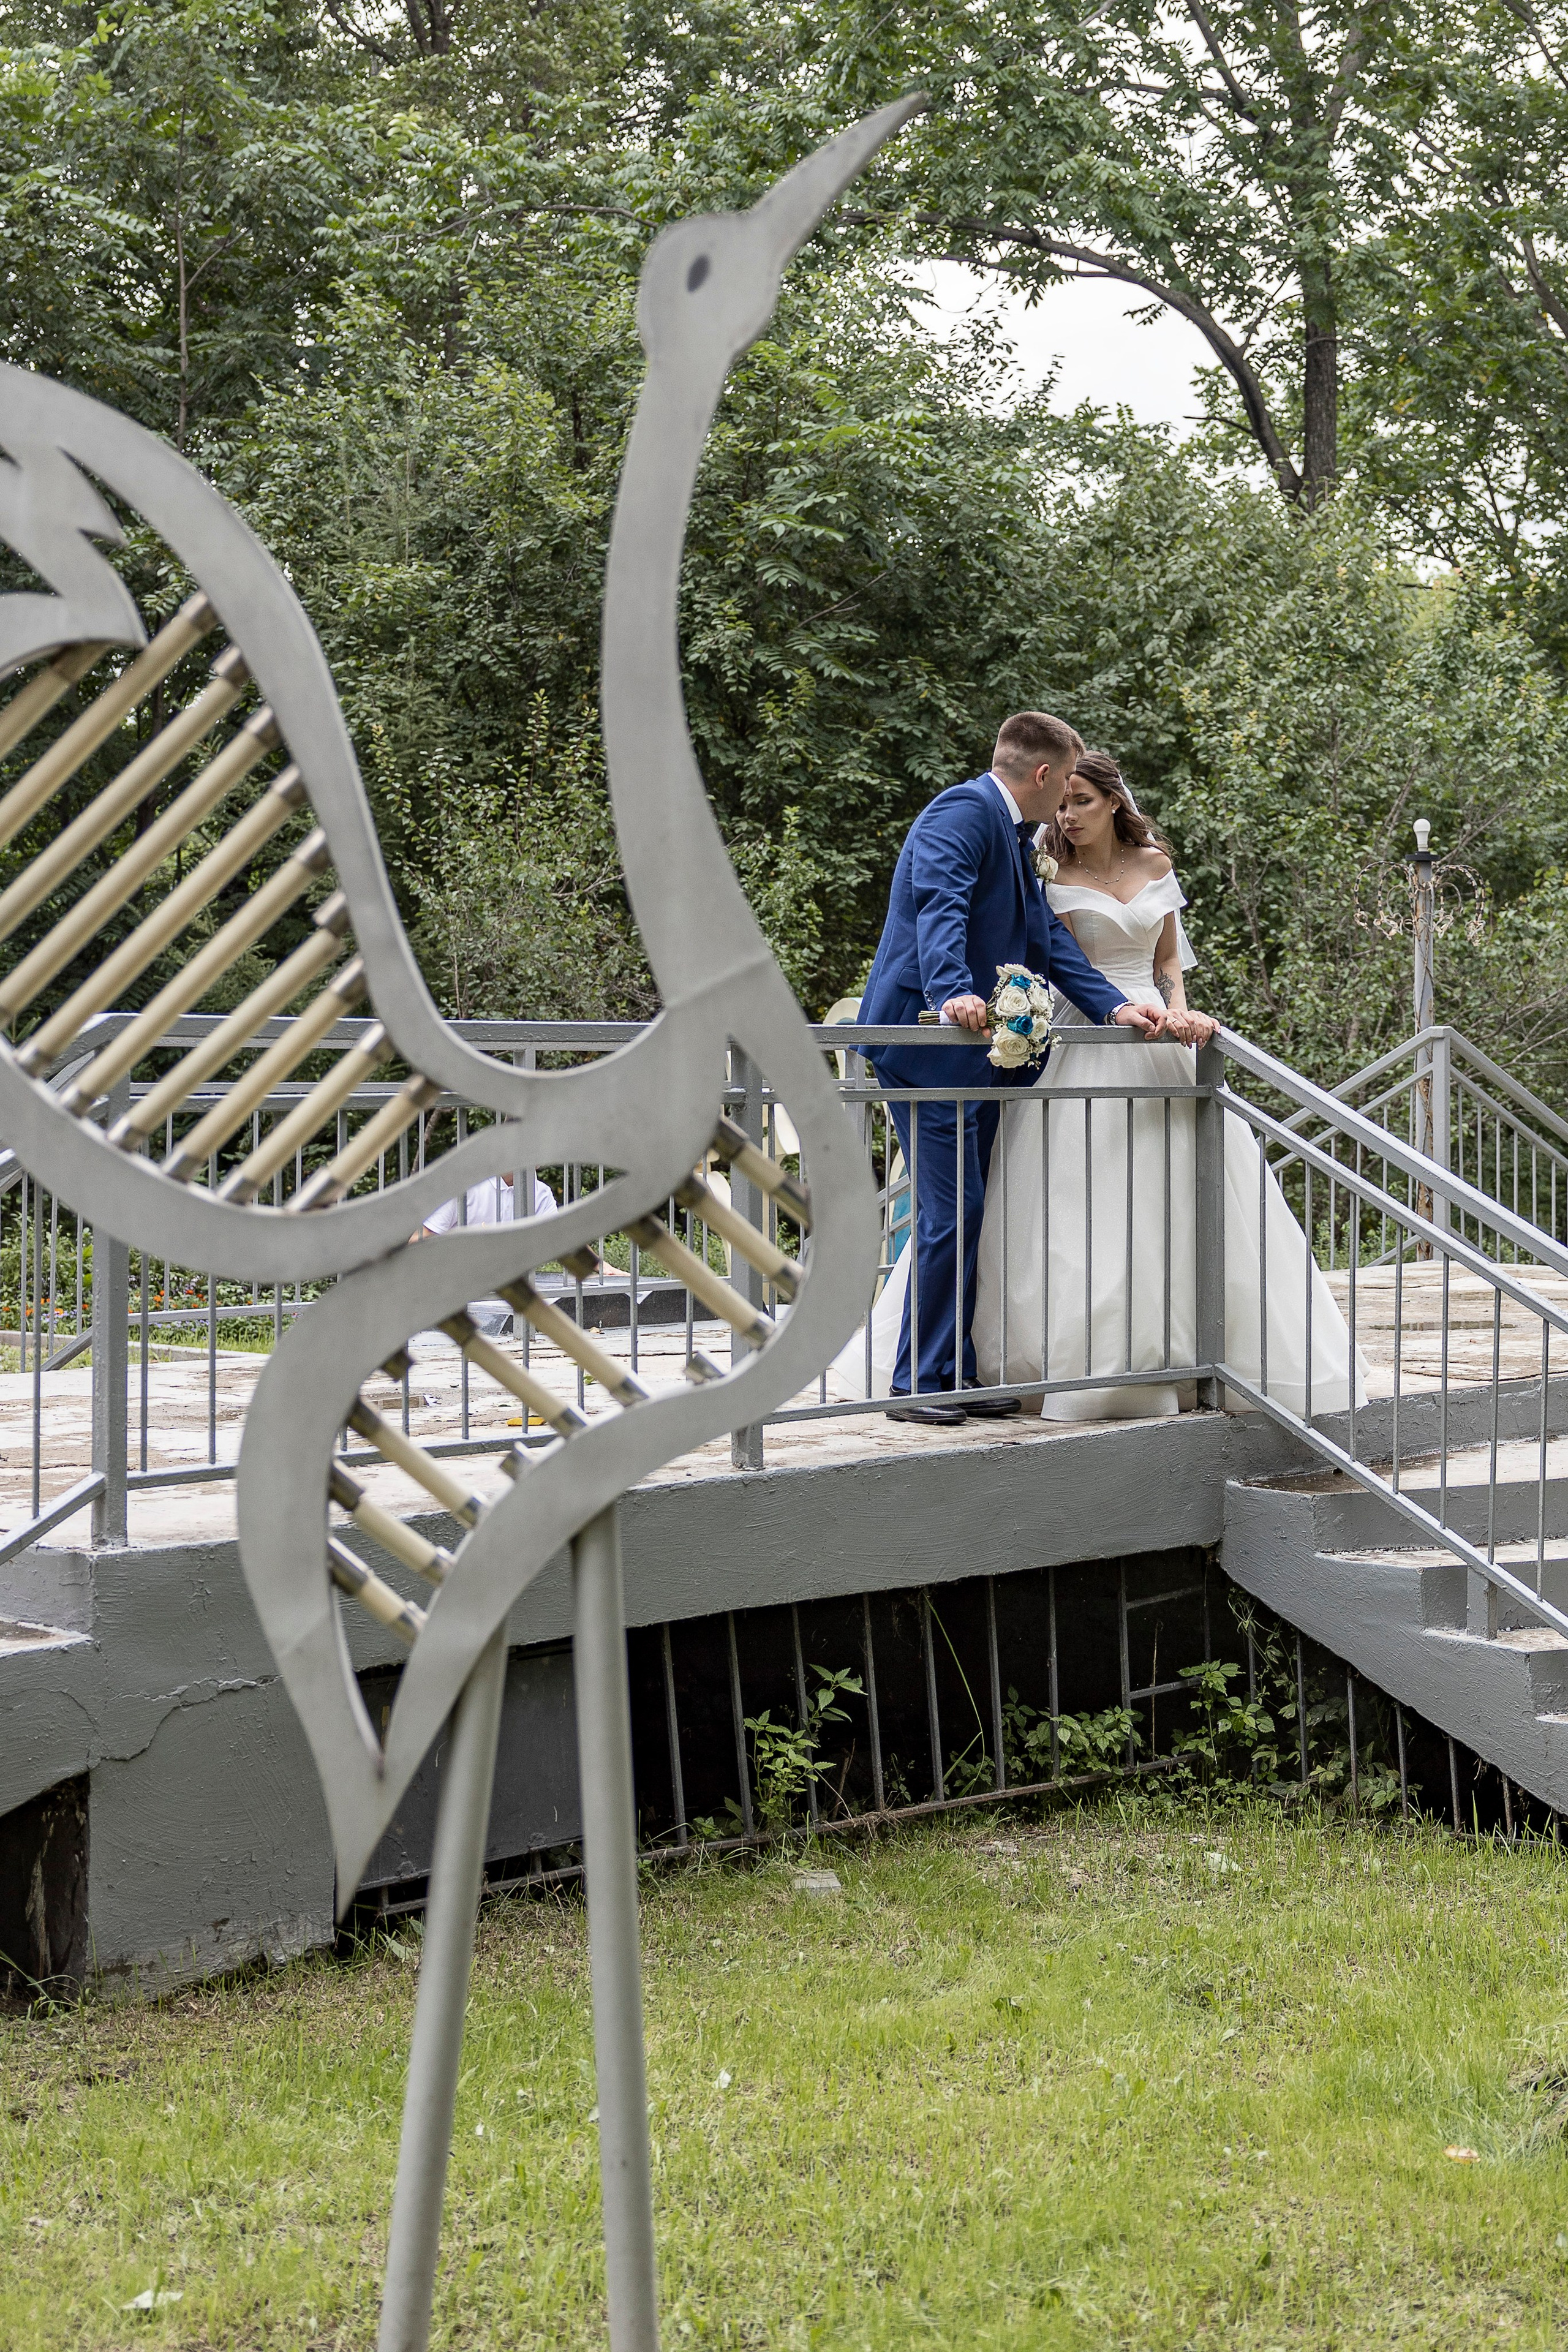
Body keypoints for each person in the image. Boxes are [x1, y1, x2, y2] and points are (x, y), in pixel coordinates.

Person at [969, 751, 1364, 1417]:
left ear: (1114, 803)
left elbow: (1166, 962)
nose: (1066, 817)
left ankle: (1194, 1353)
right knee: (1080, 1197)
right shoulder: (1048, 871)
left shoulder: (1155, 867)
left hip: (1158, 1037)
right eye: (1060, 804)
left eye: (1082, 803)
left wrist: (1180, 1010)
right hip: (1087, 1032)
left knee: (1177, 1191)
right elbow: (1061, 965)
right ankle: (1082, 1362)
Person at [857, 714, 1169, 1426]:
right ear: (1042, 775)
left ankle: (955, 1373)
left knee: (970, 1209)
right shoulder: (960, 813)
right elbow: (940, 906)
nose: (1064, 803)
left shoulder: (1013, 836)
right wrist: (949, 993)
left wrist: (1115, 1008)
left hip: (983, 1056)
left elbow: (1047, 946)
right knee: (951, 1210)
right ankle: (920, 1382)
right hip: (929, 1048)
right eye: (1063, 784)